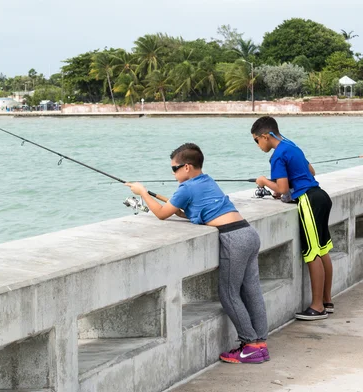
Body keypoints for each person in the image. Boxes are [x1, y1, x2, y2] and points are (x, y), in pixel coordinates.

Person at [126, 143, 269, 364]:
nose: (172, 173)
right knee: (252, 291)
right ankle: (260, 344)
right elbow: (194, 212)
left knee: (229, 293)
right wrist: (180, 209)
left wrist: (142, 192)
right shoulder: (206, 181)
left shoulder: (187, 188)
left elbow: (162, 214)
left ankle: (249, 345)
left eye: (174, 168)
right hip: (248, 232)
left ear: (187, 167)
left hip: (233, 238)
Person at [251, 116, 333, 320]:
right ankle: (327, 301)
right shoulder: (290, 145)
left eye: (256, 140)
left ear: (265, 136)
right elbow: (310, 170)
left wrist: (263, 181)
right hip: (320, 196)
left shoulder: (277, 155)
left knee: (312, 253)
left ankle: (317, 307)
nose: (257, 145)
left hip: (308, 201)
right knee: (322, 250)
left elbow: (282, 188)